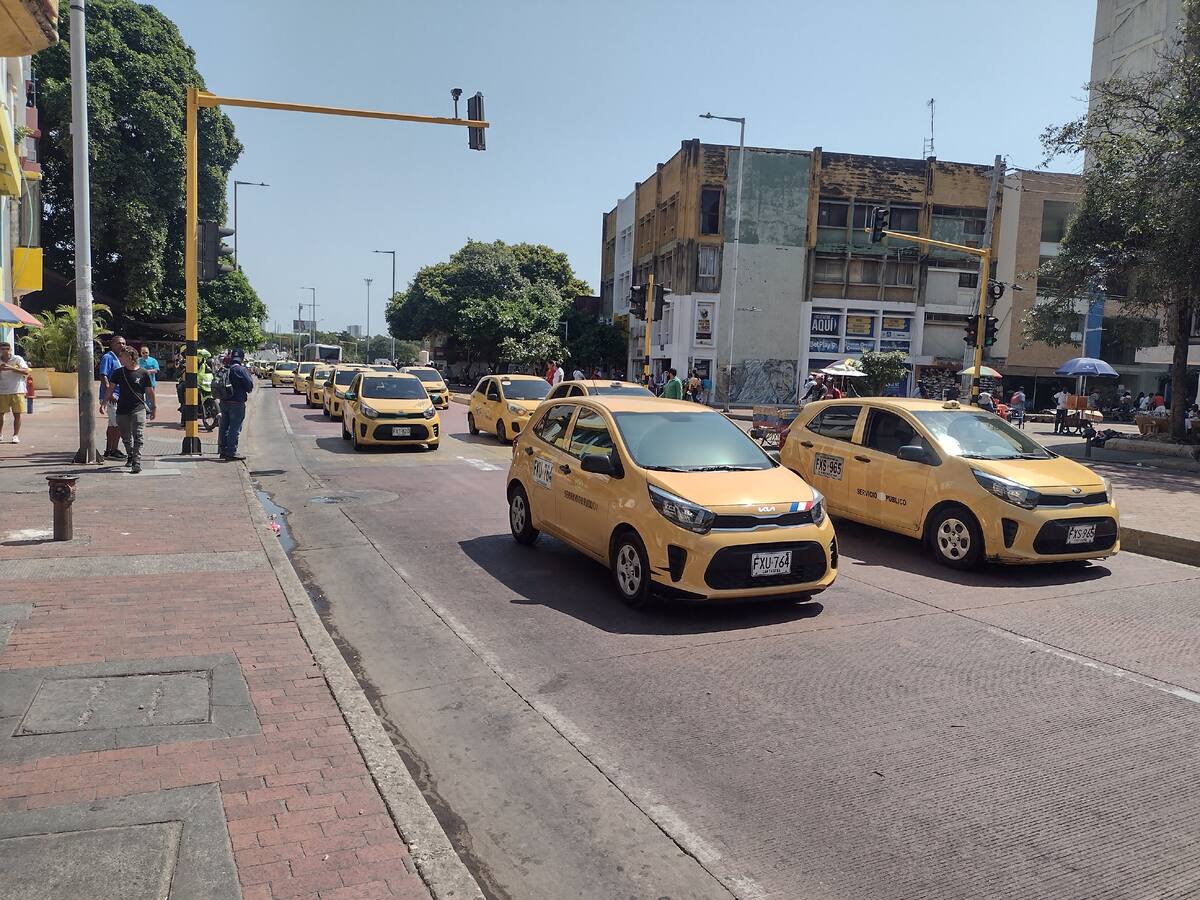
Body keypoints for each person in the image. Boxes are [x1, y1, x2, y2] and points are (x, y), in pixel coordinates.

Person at [104, 345, 155, 473]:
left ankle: (136, 462)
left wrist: (154, 407)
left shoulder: (143, 373)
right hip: (122, 409)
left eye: (122, 356)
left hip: (138, 408)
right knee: (126, 437)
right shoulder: (118, 373)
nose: (120, 358)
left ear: (131, 357)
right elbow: (110, 388)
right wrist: (103, 403)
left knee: (138, 435)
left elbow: (150, 392)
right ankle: (130, 454)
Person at [218, 348, 255, 461]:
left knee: (224, 426)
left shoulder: (224, 369)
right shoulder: (240, 370)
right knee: (234, 428)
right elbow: (249, 386)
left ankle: (223, 450)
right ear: (242, 359)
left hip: (224, 402)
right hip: (237, 403)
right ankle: (231, 452)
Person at [99, 335, 128, 459]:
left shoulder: (120, 359)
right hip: (111, 396)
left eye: (123, 343)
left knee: (112, 424)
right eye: (119, 343)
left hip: (119, 395)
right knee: (119, 424)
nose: (122, 345)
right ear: (112, 344)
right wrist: (109, 393)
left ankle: (109, 450)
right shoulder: (108, 357)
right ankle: (114, 450)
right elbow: (103, 375)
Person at [0, 340, 30, 443]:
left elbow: (26, 371)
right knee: (1, 414)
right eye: (3, 349)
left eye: (7, 349)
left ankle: (15, 435)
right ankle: (0, 434)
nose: (5, 351)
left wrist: (11, 368)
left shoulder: (17, 359)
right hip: (2, 390)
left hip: (17, 389)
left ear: (10, 349)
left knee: (17, 414)